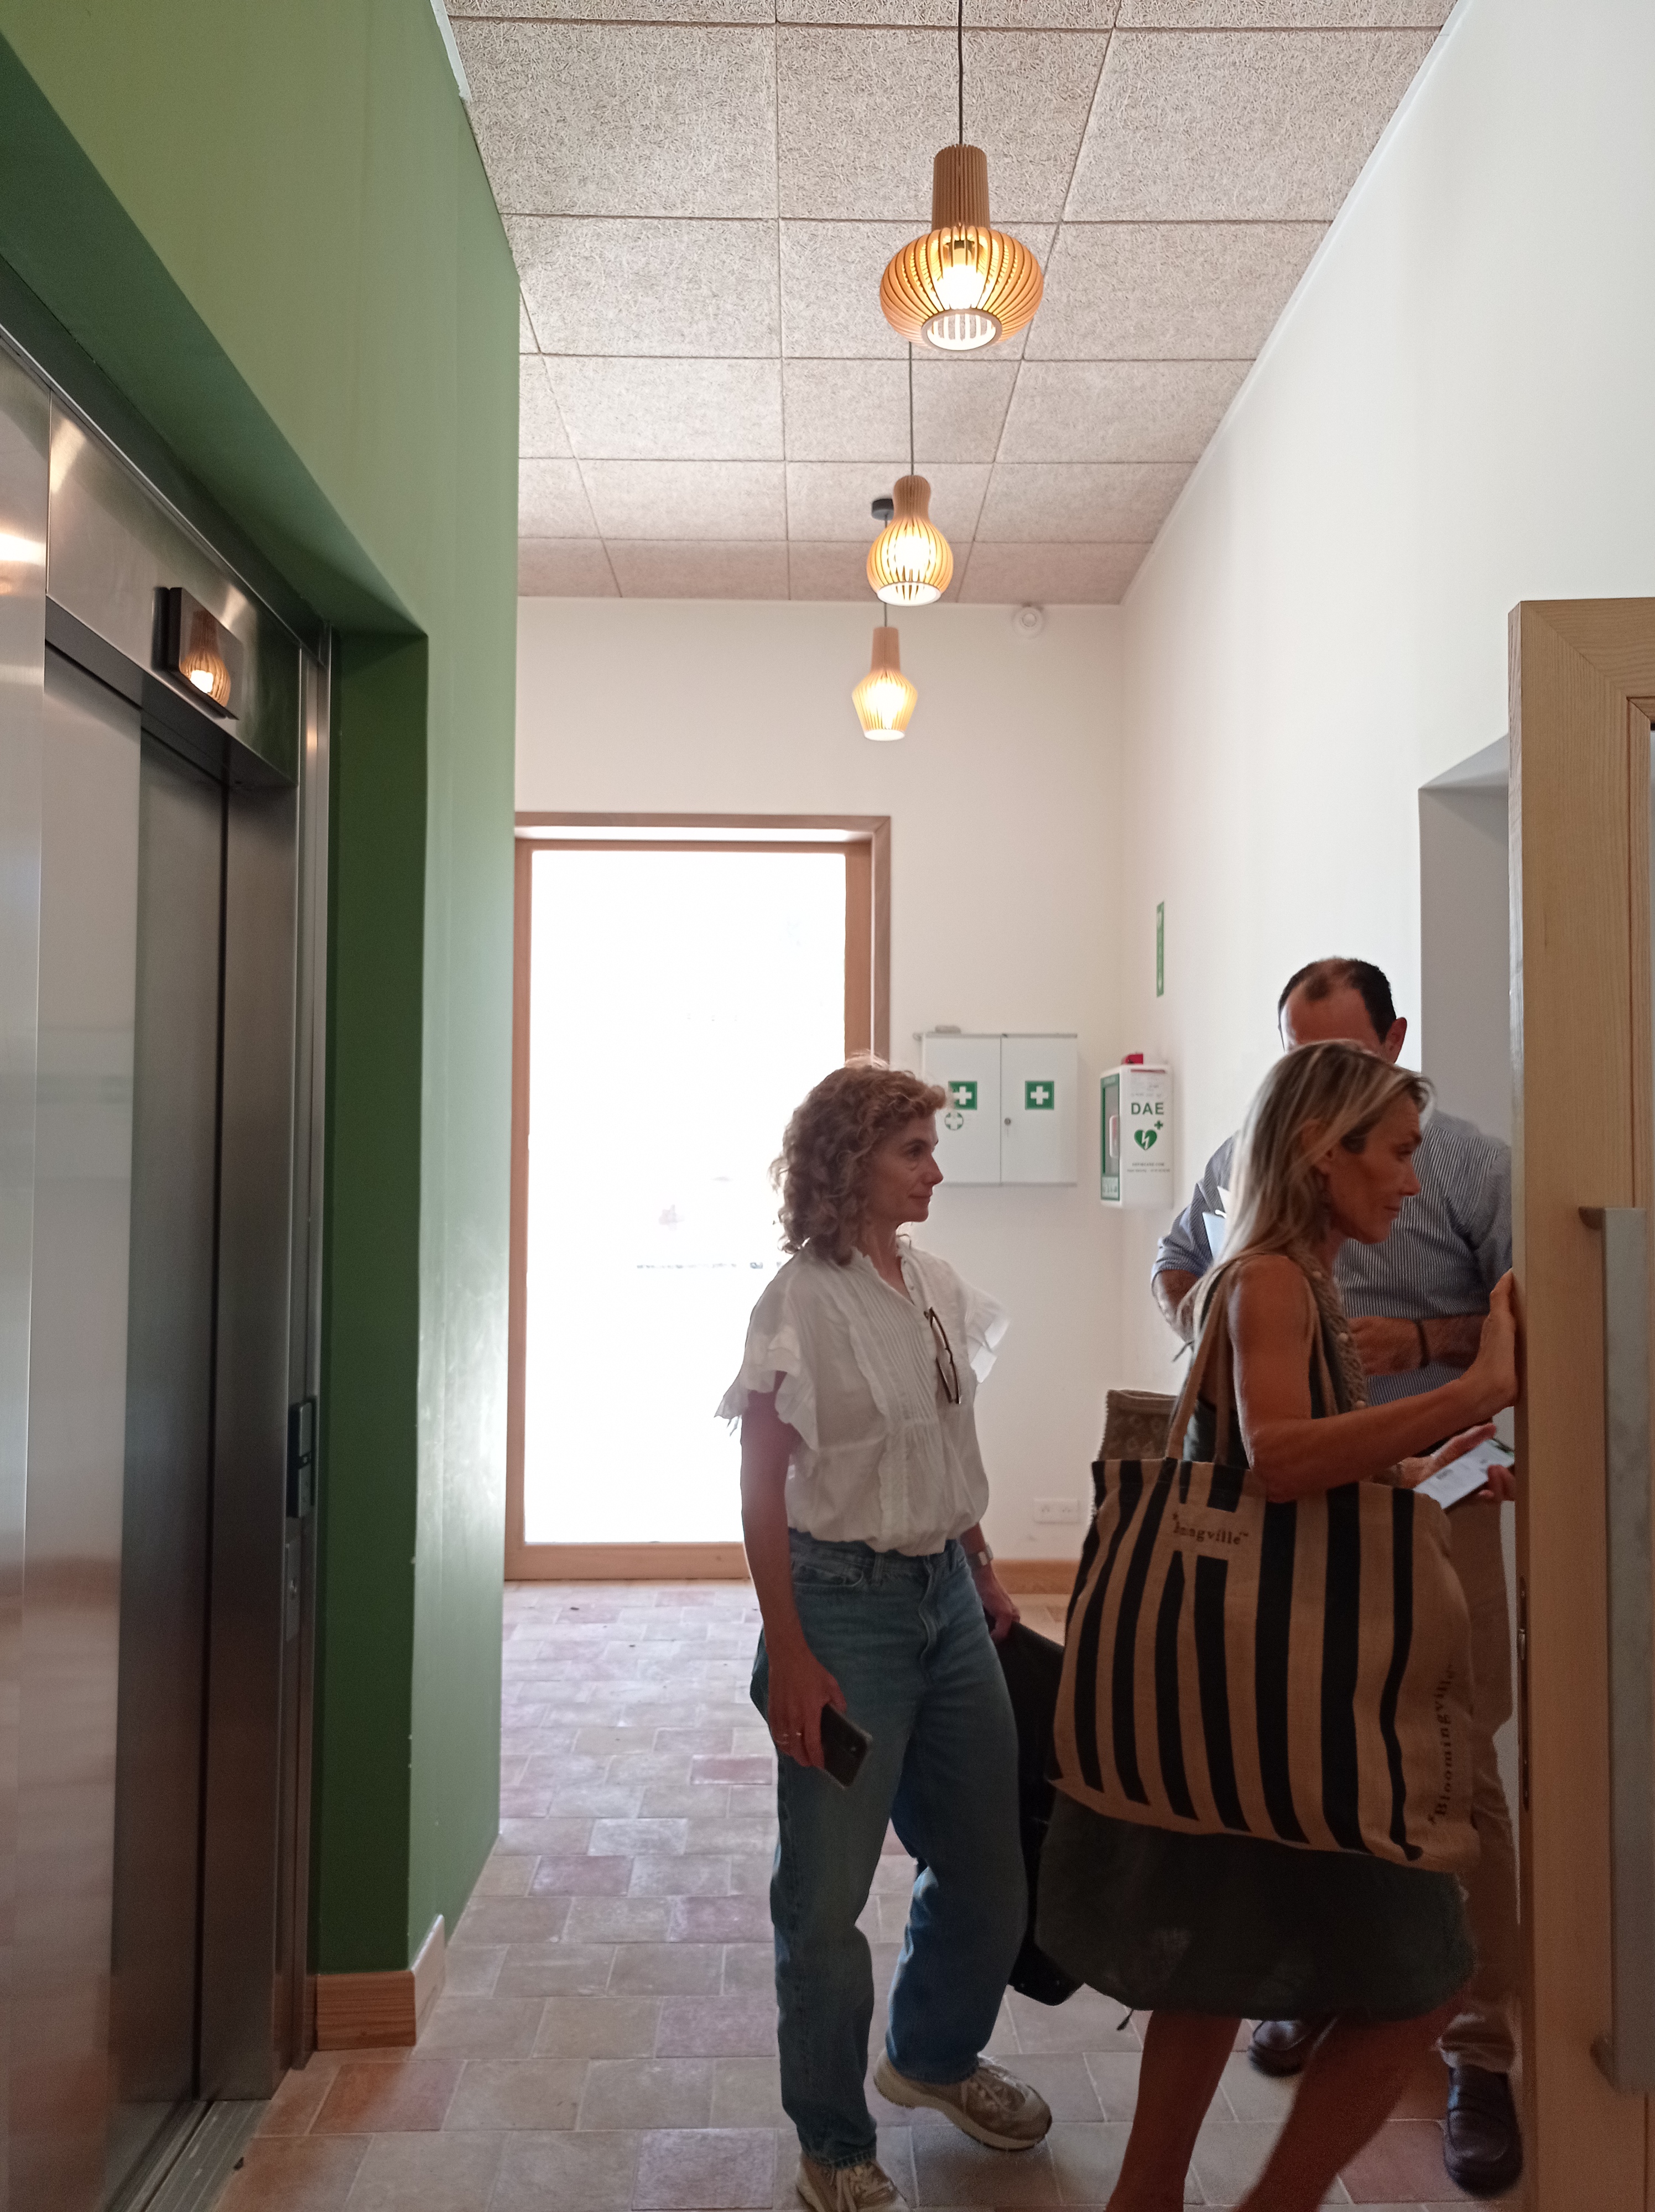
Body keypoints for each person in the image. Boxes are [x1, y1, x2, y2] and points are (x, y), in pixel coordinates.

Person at [1038, 1040, 1519, 2212]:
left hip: (1243, 1704)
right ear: (1321, 1150)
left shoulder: (1285, 1275)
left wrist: (1424, 1465)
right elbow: (1282, 1459)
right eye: (1394, 1153)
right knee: (1426, 1982)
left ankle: (1147, 2198)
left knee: (1210, 1967)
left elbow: (1288, 1467)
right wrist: (1473, 1390)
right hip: (1291, 1708)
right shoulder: (1271, 1281)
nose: (1409, 1182)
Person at [721, 1060, 1052, 2212]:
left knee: (990, 1871)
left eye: (932, 1146)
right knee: (823, 1904)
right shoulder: (798, 1302)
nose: (935, 1171)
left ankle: (934, 2055)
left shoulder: (937, 1286)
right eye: (914, 1149)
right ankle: (832, 2141)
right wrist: (790, 1648)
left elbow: (944, 1448)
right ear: (850, 1161)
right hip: (839, 1606)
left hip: (945, 1599)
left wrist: (983, 1565)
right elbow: (760, 1489)